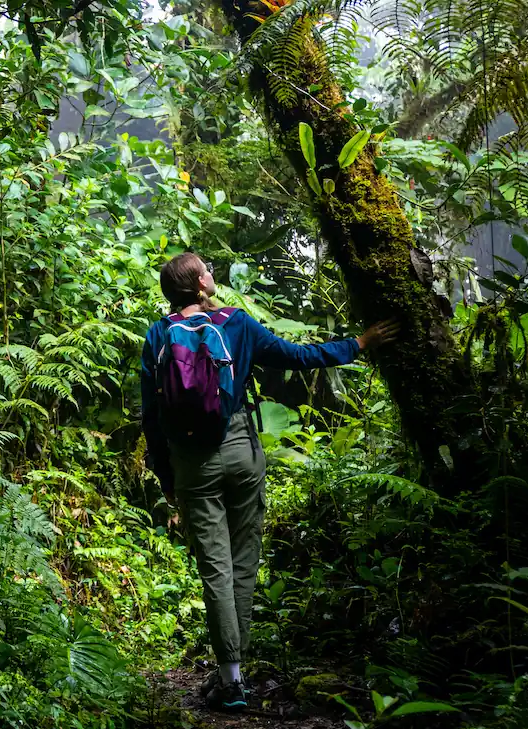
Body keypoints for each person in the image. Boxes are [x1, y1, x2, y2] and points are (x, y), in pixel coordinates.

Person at [140, 252, 398, 711]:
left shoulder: (158, 335)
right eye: (207, 270)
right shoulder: (237, 323)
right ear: (200, 284)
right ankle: (238, 672)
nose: (212, 274)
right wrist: (359, 343)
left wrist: (166, 478)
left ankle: (230, 679)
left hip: (192, 465)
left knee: (214, 569)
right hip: (241, 452)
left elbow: (152, 419)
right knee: (242, 562)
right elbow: (299, 357)